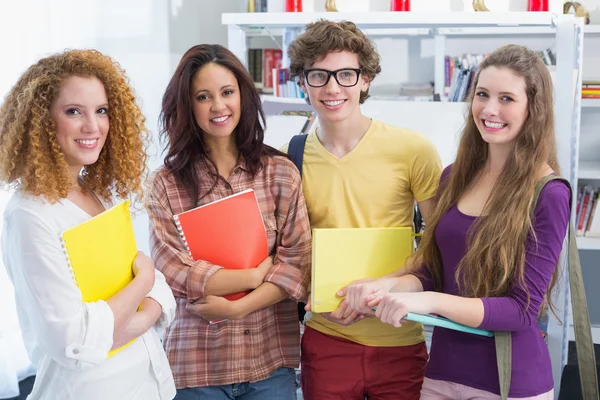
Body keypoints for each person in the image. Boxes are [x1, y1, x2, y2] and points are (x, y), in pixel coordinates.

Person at [346, 44, 568, 399]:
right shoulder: (454, 176)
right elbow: (434, 272)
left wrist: (430, 301)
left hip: (510, 382)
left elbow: (521, 309)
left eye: (507, 98)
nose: (490, 109)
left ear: (533, 109)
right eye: (482, 94)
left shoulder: (549, 193)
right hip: (441, 374)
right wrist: (386, 286)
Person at [0, 49, 177, 400]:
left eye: (101, 111)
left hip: (150, 386)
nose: (92, 126)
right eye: (73, 112)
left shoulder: (99, 193)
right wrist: (143, 282)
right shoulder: (29, 215)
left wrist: (127, 314)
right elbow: (75, 341)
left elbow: (164, 297)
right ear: (42, 122)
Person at [283, 20, 443, 400]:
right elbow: (292, 249)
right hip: (327, 337)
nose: (333, 87)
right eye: (319, 75)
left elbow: (439, 243)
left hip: (400, 335)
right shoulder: (292, 157)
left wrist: (383, 288)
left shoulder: (413, 150)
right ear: (302, 83)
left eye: (346, 74)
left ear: (366, 80)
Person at [146, 44, 311, 400]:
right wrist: (253, 276)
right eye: (203, 97)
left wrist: (236, 306)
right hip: (195, 367)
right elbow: (173, 270)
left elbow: (297, 266)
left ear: (243, 96)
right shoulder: (166, 183)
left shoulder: (280, 173)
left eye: (227, 92)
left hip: (269, 364)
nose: (218, 106)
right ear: (187, 106)